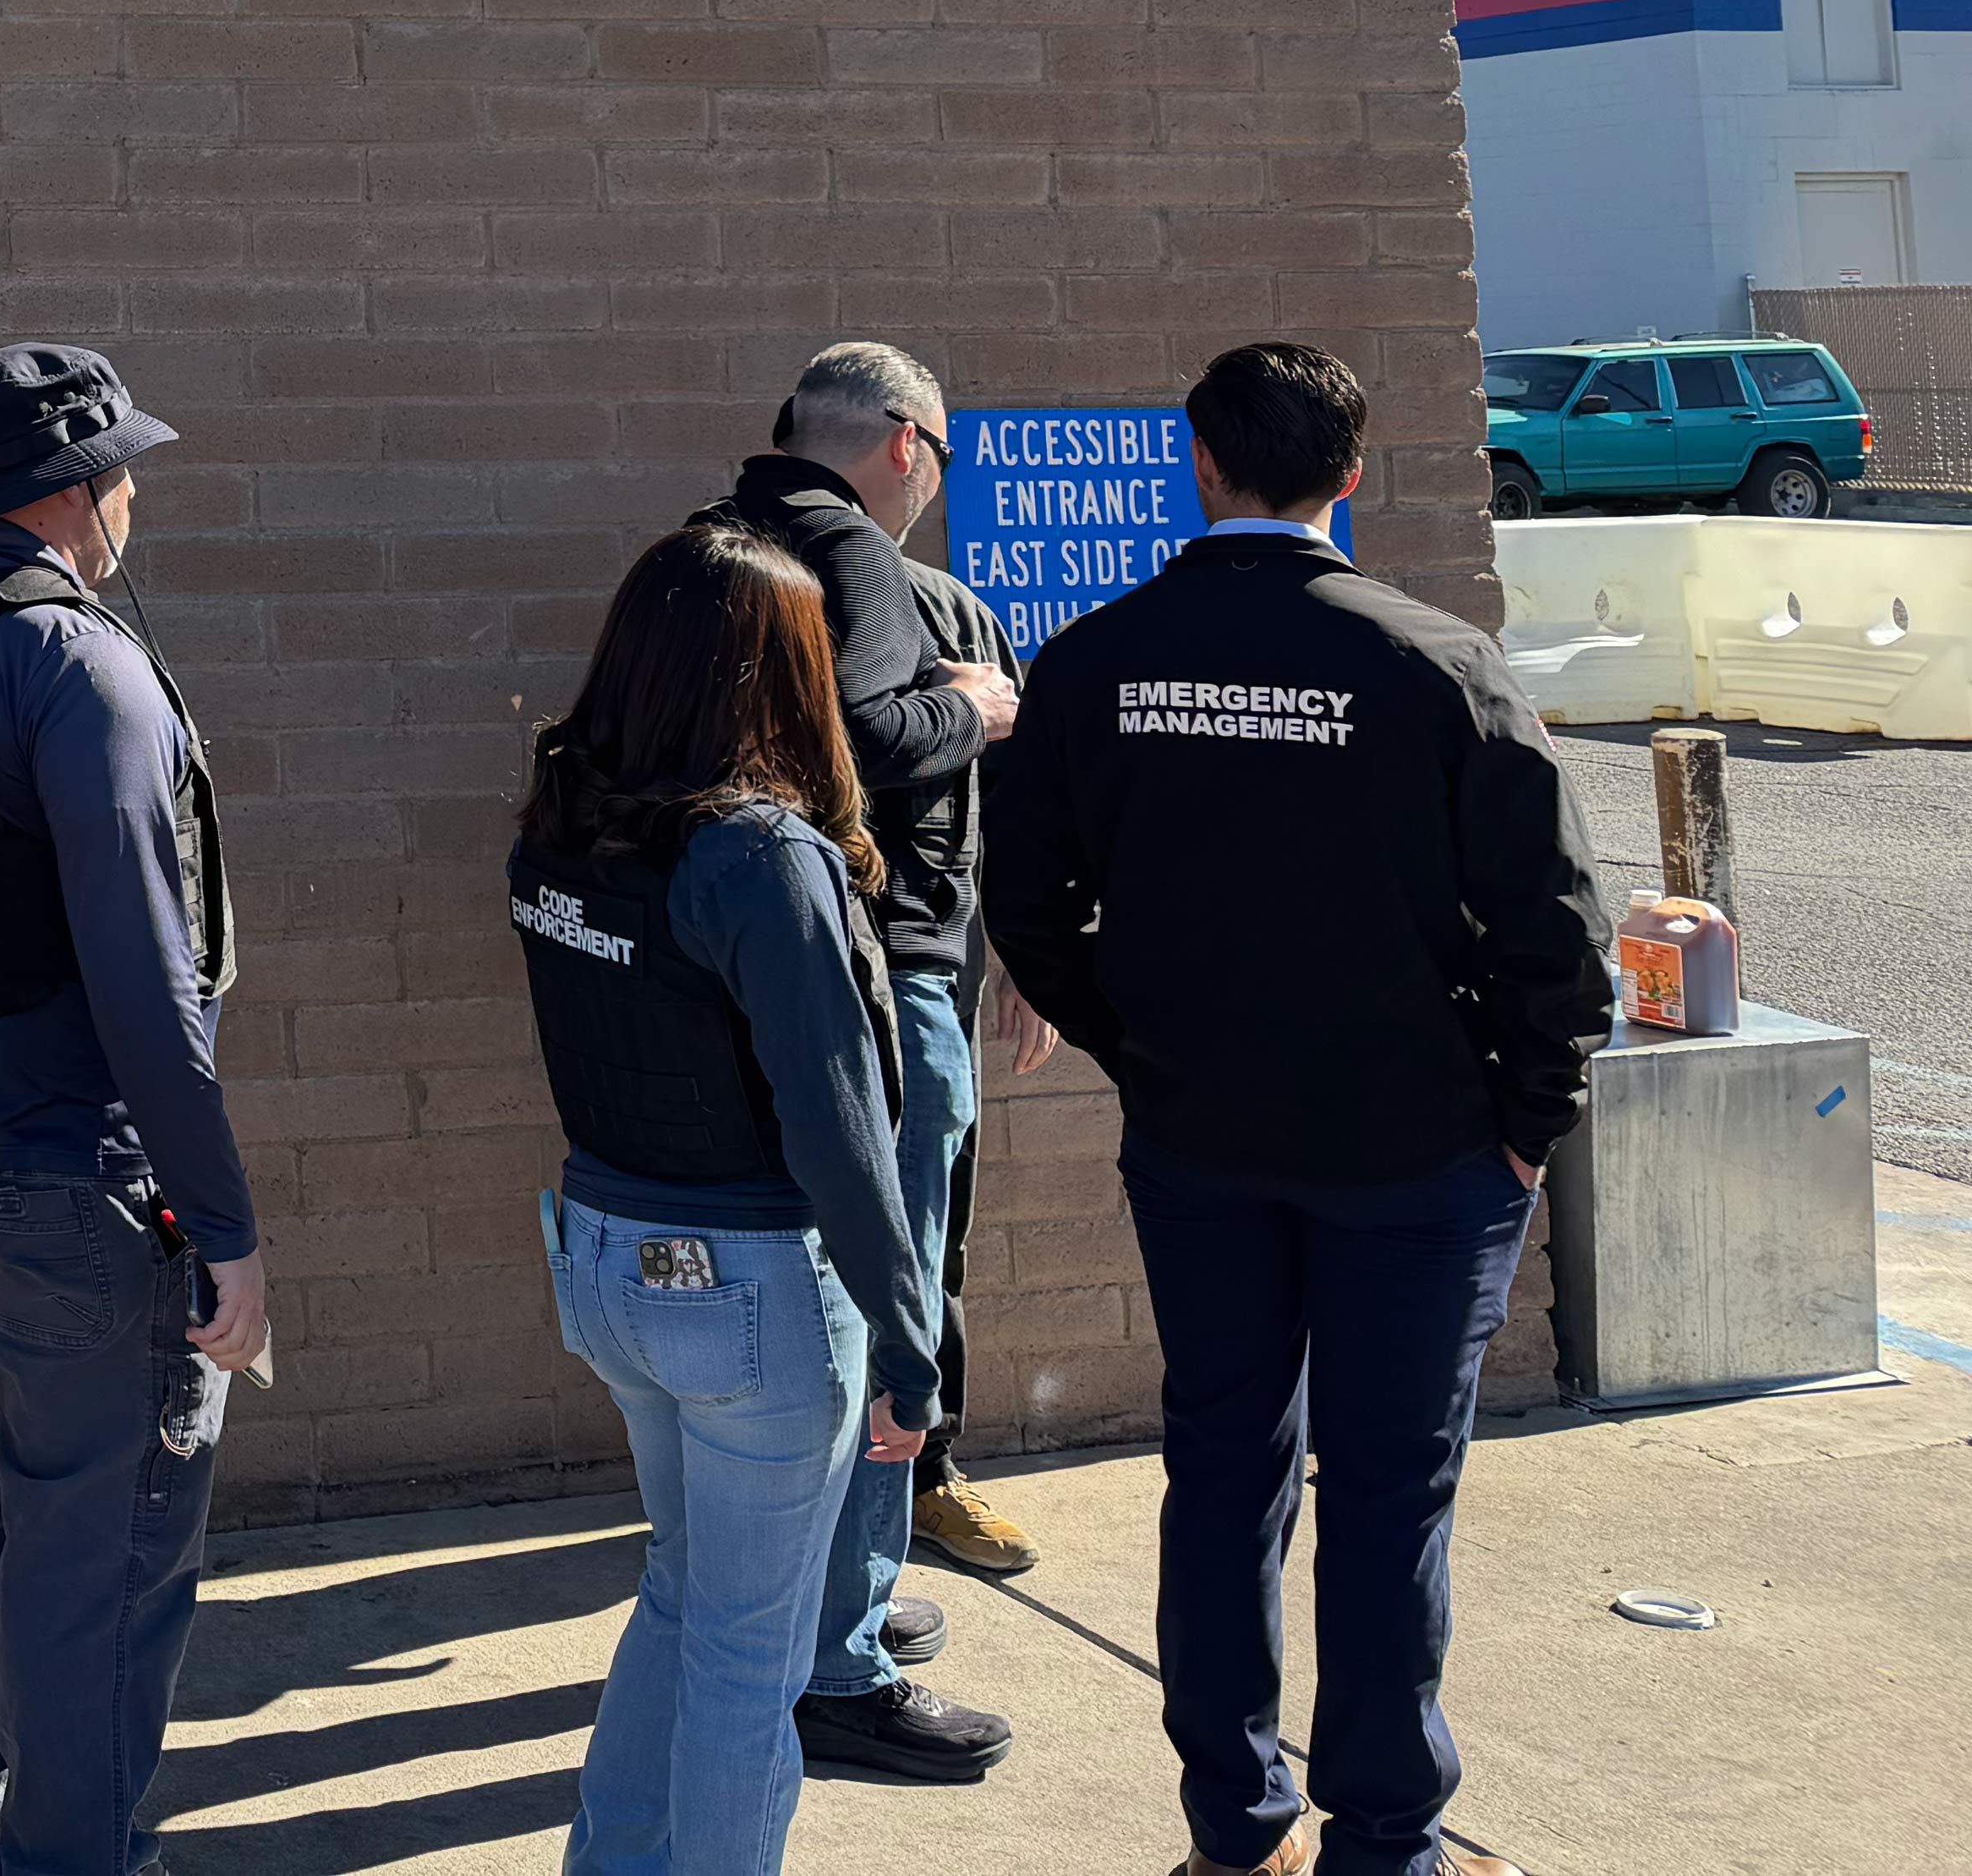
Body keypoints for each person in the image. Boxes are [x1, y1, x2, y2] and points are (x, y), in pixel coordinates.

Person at [984, 343, 1610, 1876]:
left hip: (1206, 1146)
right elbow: (1562, 936)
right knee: (1389, 1492)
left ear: (1202, 466)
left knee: (1222, 1470)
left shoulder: (1095, 662)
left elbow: (1029, 908)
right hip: (1418, 1155)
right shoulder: (1435, 664)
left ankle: (1232, 1827)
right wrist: (1526, 1121)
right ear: (1352, 476)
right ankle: (1384, 1842)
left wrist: (1148, 1047)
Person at [0, 344, 262, 1876]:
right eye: (127, 469)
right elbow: (151, 982)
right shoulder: (80, 667)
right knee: (109, 1541)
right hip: (74, 1172)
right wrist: (225, 1225)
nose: (137, 494)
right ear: (82, 493)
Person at [511, 513, 939, 1876]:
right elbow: (840, 1128)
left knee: (687, 1601)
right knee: (753, 1659)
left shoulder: (565, 820)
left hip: (605, 1261)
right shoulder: (760, 857)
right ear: (783, 671)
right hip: (744, 1288)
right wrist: (912, 1339)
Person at [721, 342, 1028, 1782]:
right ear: (907, 444)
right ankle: (839, 1660)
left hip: (732, 987)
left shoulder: (714, 552)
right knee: (875, 1319)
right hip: (877, 983)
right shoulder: (861, 569)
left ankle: (815, 1619)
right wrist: (978, 707)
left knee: (799, 1317)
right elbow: (865, 743)